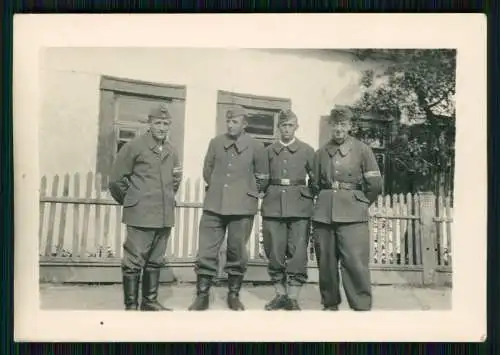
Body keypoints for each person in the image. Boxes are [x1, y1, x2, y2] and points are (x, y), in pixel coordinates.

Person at [188, 106, 269, 311]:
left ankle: (233, 295)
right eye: (229, 122)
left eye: (235, 122)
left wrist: (244, 192)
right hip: (214, 204)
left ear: (244, 124)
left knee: (237, 251)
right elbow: (208, 170)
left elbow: (262, 178)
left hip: (242, 207)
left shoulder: (256, 146)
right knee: (206, 250)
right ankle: (202, 295)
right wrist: (219, 189)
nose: (231, 125)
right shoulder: (216, 143)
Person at [109, 103, 183, 311]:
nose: (161, 127)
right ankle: (131, 306)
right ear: (149, 124)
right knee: (134, 261)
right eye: (157, 123)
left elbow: (176, 179)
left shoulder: (171, 150)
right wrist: (133, 200)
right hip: (140, 214)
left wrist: (165, 198)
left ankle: (149, 302)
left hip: (164, 214)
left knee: (155, 260)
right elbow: (116, 180)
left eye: (166, 124)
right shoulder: (134, 147)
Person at [311, 105, 382, 311]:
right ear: (331, 126)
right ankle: (330, 303)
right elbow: (315, 184)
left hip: (353, 215)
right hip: (324, 215)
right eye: (335, 125)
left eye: (343, 124)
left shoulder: (363, 150)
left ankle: (360, 305)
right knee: (326, 262)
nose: (339, 129)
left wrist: (359, 204)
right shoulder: (321, 153)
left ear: (350, 126)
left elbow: (375, 185)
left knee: (355, 263)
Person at [260, 109, 315, 311]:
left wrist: (306, 196)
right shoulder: (268, 151)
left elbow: (316, 179)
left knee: (297, 252)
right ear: (278, 128)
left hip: (300, 206)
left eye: (290, 125)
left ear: (296, 127)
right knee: (274, 250)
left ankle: (293, 296)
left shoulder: (307, 151)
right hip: (273, 205)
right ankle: (280, 294)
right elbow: (260, 177)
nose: (286, 129)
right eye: (283, 125)